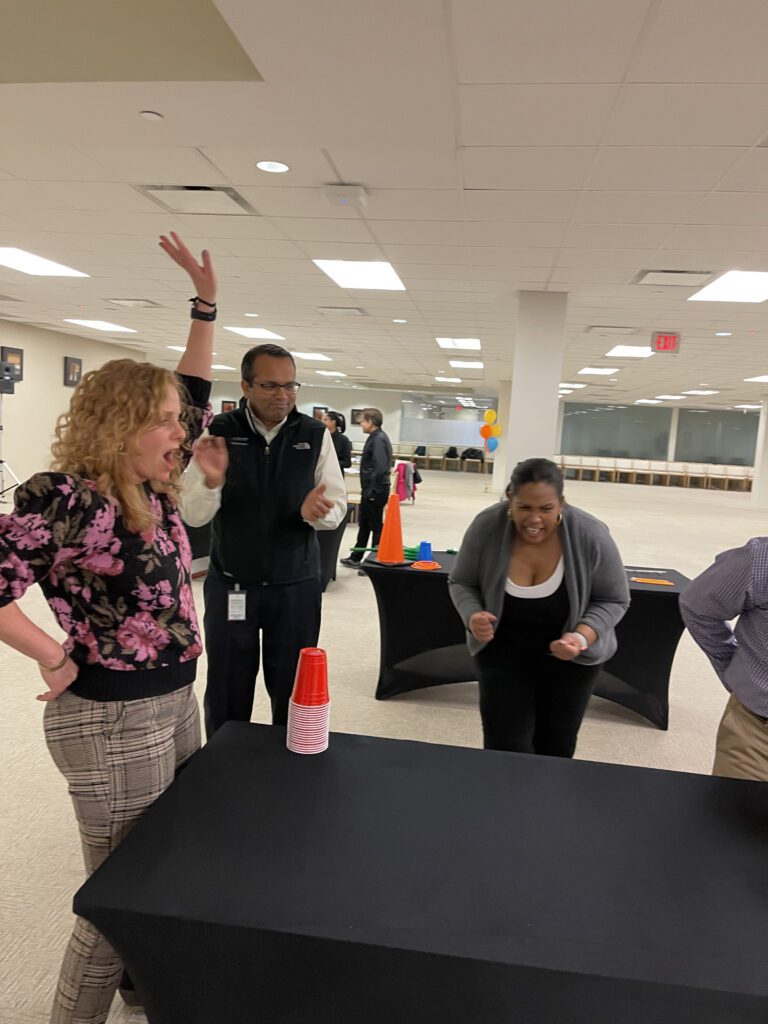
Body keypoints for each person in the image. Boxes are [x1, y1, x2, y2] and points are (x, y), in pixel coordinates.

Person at [0, 232, 217, 1024]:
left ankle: (139, 987)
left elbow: (191, 385)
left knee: (163, 872)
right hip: (109, 719)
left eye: (176, 419)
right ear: (120, 422)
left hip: (173, 702)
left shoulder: (150, 486)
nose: (180, 432)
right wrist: (50, 649)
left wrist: (205, 302)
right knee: (119, 901)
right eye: (163, 420)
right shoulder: (65, 498)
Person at [179, 344, 346, 736]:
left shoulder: (313, 434)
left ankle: (291, 767)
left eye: (290, 386)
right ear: (246, 386)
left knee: (292, 686)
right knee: (227, 685)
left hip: (296, 586)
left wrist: (316, 514)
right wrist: (211, 481)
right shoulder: (219, 432)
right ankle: (223, 764)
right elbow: (193, 514)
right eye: (271, 385)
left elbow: (335, 504)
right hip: (233, 583)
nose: (283, 395)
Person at [448, 457, 629, 757]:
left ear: (562, 503)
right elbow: (461, 582)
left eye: (546, 509)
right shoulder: (486, 527)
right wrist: (472, 615)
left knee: (555, 746)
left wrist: (581, 637)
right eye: (525, 508)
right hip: (502, 652)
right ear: (510, 500)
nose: (534, 520)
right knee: (504, 746)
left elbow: (614, 599)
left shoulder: (590, 534)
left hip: (570, 662)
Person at [680, 540, 768, 781]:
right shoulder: (760, 559)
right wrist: (734, 667)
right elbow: (699, 607)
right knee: (736, 815)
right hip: (757, 735)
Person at [340, 407, 392, 567]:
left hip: (375, 490)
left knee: (375, 526)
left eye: (363, 421)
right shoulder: (376, 437)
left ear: (370, 422)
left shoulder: (378, 439)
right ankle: (356, 556)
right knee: (364, 525)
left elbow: (380, 467)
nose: (361, 424)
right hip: (370, 489)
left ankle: (374, 560)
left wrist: (372, 491)